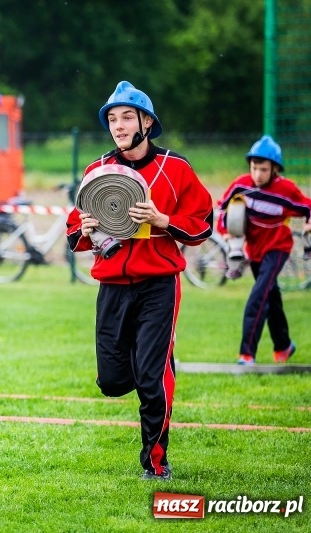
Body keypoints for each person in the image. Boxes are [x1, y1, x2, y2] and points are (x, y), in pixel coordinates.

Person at [66, 81, 214, 481]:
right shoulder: (96, 170)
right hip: (112, 286)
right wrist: (86, 227)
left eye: (126, 116)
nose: (118, 125)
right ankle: (150, 366)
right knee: (112, 382)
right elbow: (72, 232)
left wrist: (163, 221)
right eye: (112, 119)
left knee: (152, 377)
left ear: (147, 122)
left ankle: (156, 460)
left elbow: (203, 224)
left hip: (158, 285)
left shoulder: (177, 168)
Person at [216, 135, 311, 366]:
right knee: (271, 296)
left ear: (274, 169)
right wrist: (226, 232)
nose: (258, 174)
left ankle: (246, 354)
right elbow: (221, 208)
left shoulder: (286, 190)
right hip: (254, 251)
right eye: (254, 168)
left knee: (258, 295)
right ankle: (283, 345)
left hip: (278, 249)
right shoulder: (241, 184)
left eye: (263, 169)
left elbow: (309, 208)